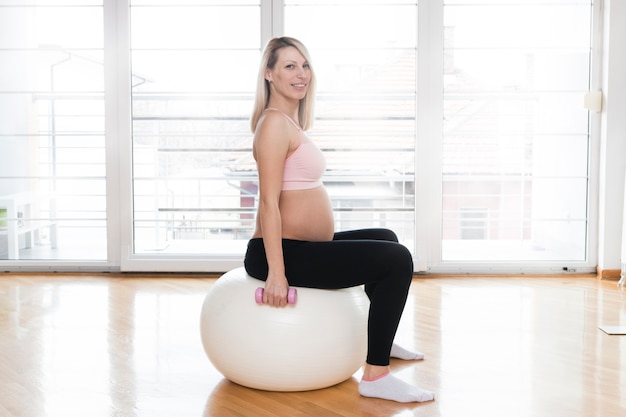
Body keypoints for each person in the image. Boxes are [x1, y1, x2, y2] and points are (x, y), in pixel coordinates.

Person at [243, 36, 434, 403]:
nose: (301, 74)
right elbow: (267, 203)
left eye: (305, 65)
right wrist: (277, 274)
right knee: (397, 260)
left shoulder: (290, 123)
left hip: (304, 245)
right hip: (280, 252)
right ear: (268, 74)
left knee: (387, 237)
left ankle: (380, 336)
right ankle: (376, 376)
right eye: (289, 66)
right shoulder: (273, 125)